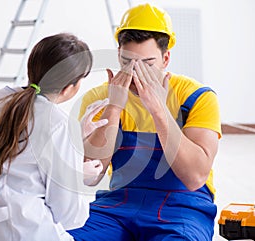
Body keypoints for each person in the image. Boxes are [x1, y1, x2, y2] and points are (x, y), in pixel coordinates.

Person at [68, 3, 221, 241]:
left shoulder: (198, 97)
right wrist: (114, 107)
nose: (136, 73)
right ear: (118, 55)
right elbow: (91, 174)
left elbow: (194, 177)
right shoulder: (100, 98)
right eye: (127, 62)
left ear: (166, 58)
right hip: (118, 205)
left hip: (184, 209)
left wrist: (158, 109)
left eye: (147, 65)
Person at [0, 33, 108, 241]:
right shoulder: (57, 124)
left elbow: (17, 162)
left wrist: (71, 143)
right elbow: (71, 216)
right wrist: (75, 173)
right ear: (69, 88)